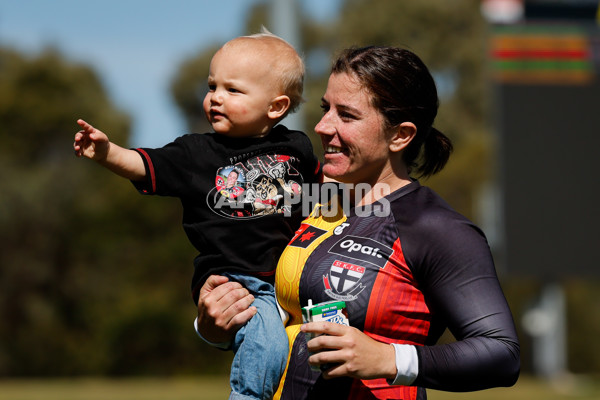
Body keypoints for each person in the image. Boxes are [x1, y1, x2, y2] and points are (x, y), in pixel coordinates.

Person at [195, 45, 520, 400]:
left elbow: (501, 354)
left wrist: (387, 358)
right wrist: (213, 326)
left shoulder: (437, 228)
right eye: (325, 109)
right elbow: (272, 323)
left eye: (346, 116)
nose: (322, 126)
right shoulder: (307, 202)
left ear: (401, 135)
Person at [73, 31, 322, 400]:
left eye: (232, 90)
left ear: (276, 106)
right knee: (267, 342)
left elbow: (323, 193)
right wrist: (109, 152)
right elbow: (144, 164)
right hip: (237, 280)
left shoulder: (297, 147)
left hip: (290, 276)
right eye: (212, 86)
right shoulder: (195, 153)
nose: (215, 97)